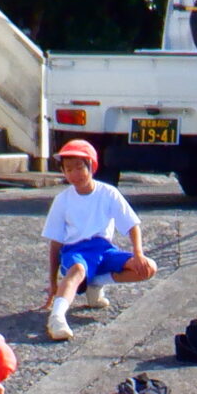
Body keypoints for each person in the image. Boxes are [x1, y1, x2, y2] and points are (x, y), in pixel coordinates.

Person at [40, 140, 154, 342]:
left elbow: (131, 224)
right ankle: (56, 317)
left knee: (148, 268)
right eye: (68, 169)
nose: (74, 174)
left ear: (91, 166)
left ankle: (95, 284)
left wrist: (138, 254)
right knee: (78, 270)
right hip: (74, 251)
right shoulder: (62, 200)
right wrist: (52, 281)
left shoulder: (108, 193)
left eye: (79, 167)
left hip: (104, 250)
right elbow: (56, 243)